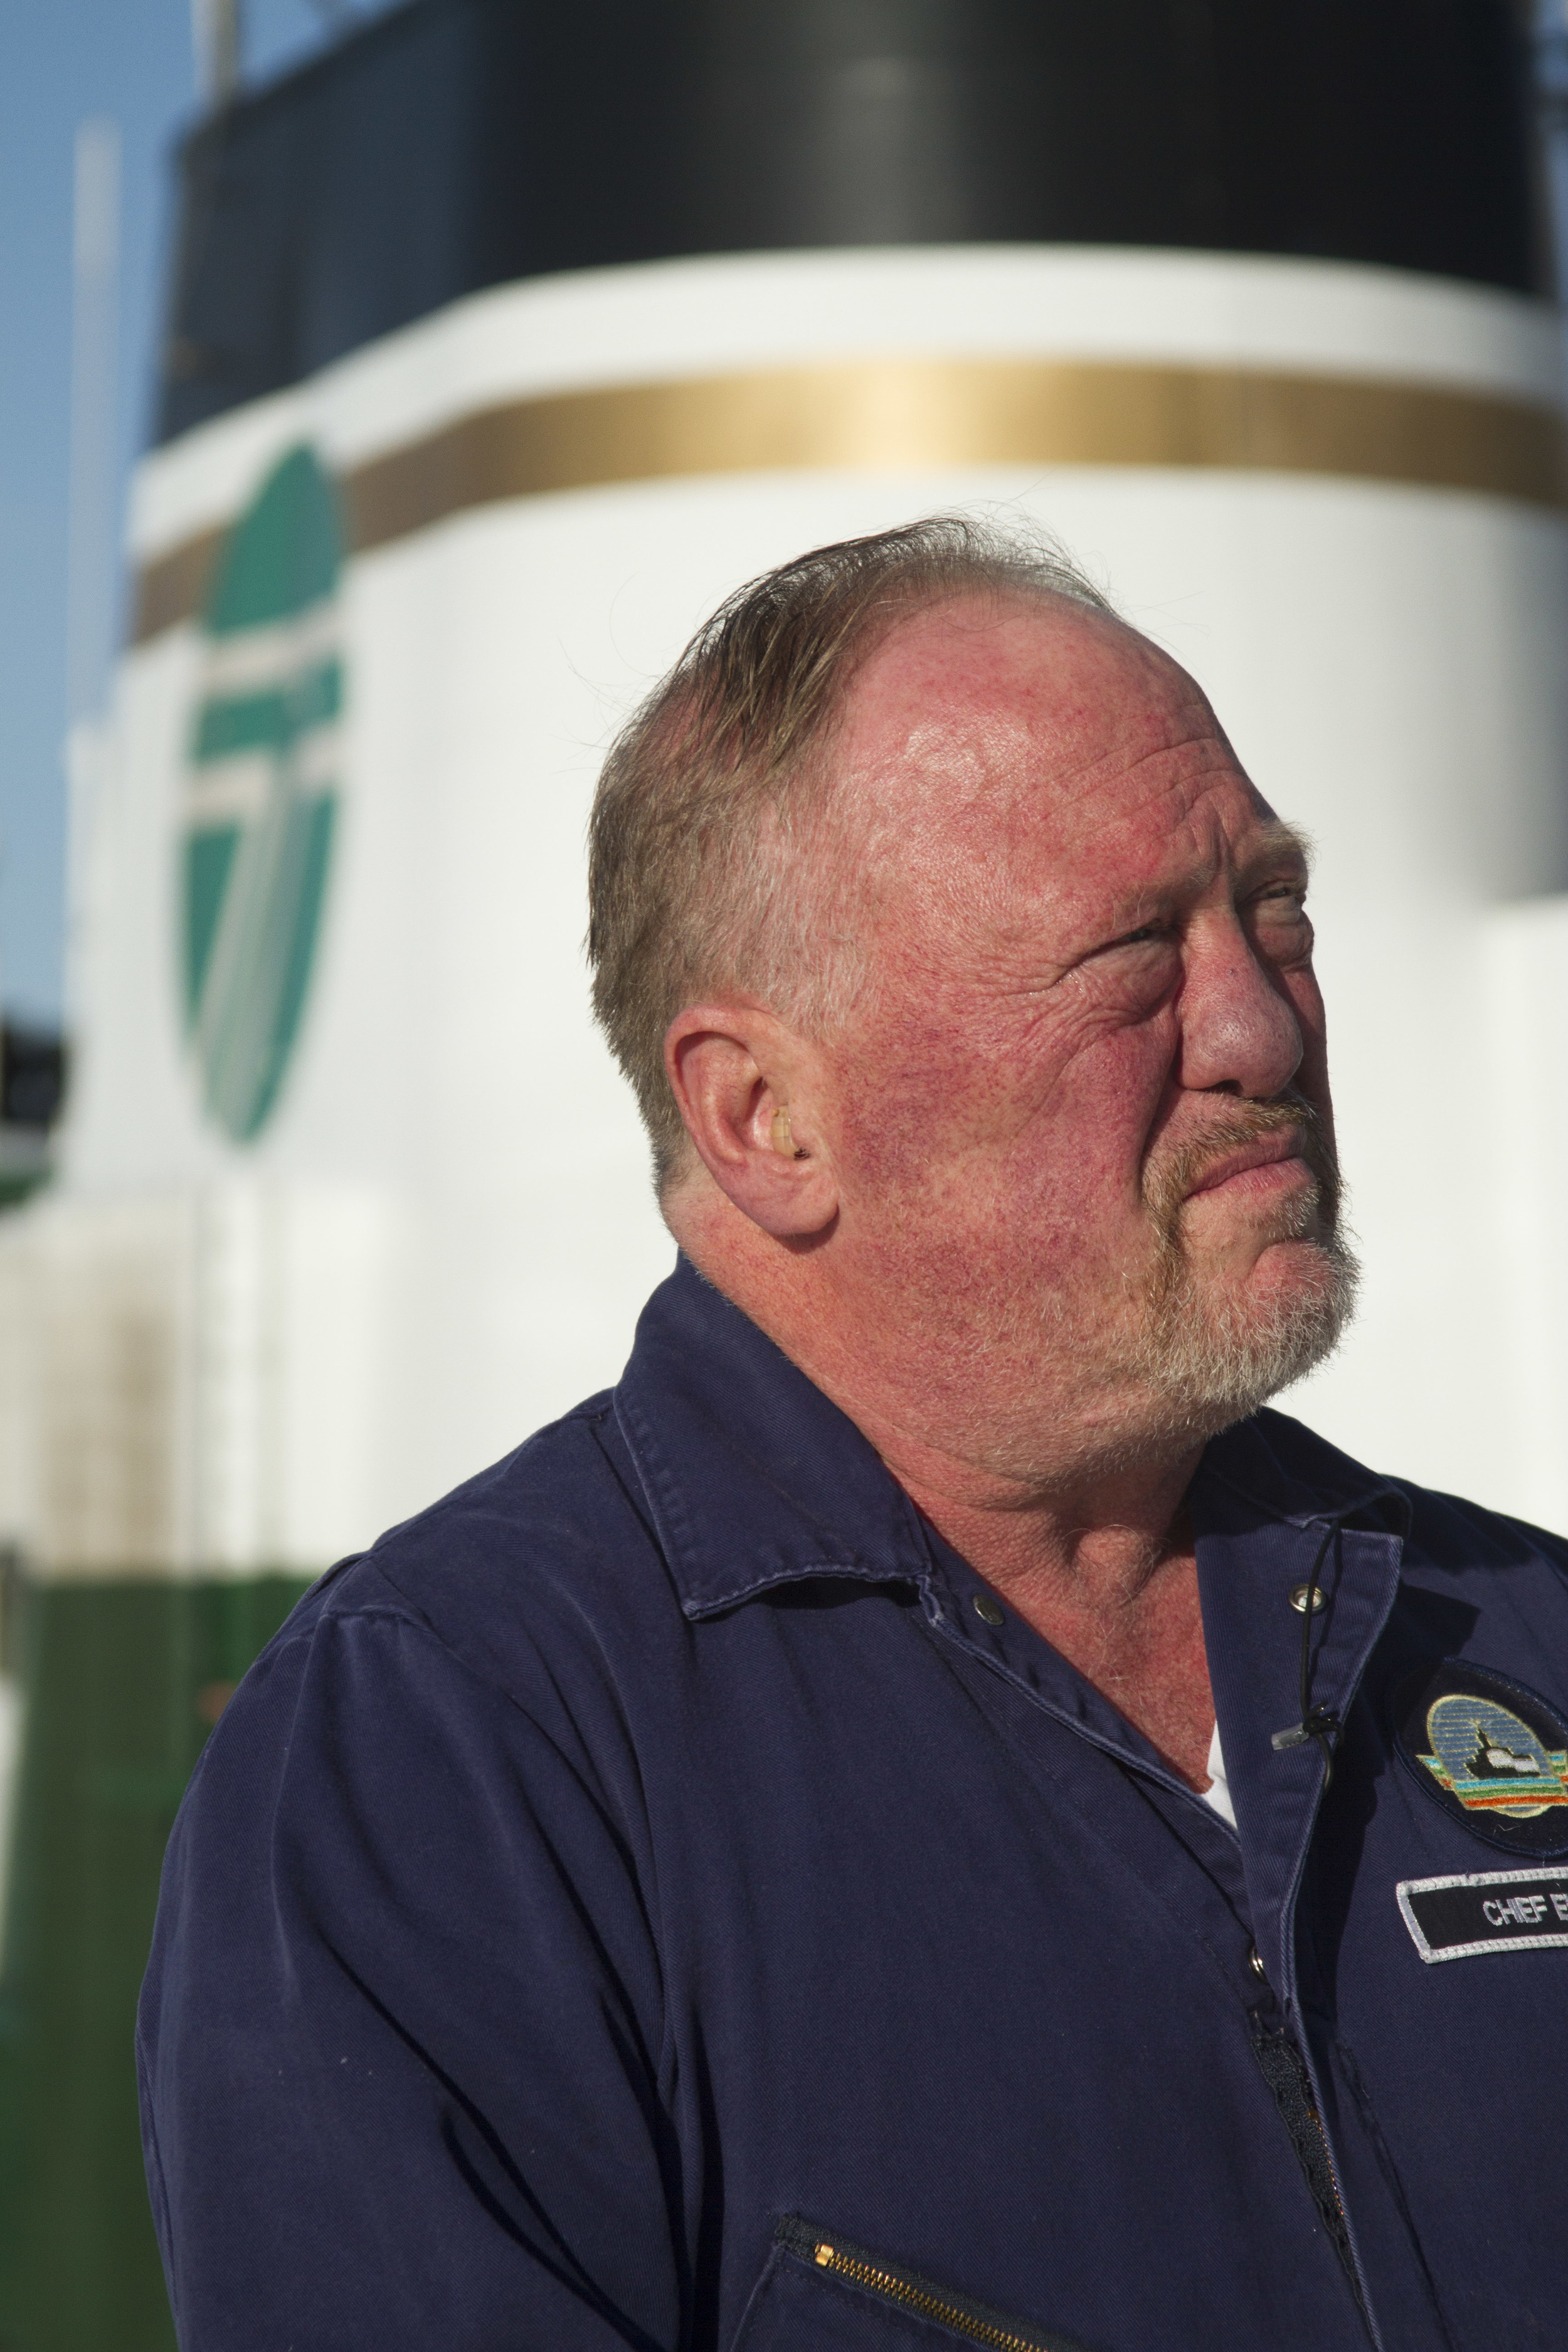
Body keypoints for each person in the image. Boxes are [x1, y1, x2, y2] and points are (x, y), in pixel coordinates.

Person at [139, 520, 1568, 2352]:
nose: (1251, 1022)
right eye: (1127, 951)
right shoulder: (456, 1755)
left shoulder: (1507, 1633)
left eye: (1268, 910)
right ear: (763, 1120)